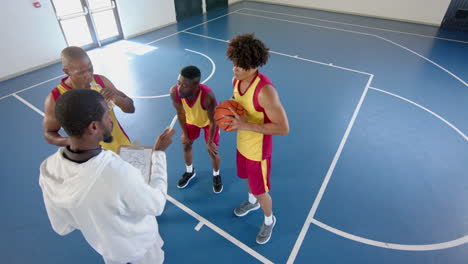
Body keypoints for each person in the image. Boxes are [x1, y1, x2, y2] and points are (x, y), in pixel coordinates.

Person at [39, 89, 174, 264]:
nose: (111, 119)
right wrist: (159, 154)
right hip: (141, 245)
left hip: (107, 247)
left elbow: (62, 226)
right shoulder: (119, 174)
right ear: (94, 127)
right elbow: (156, 205)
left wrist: (95, 215)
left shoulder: (48, 168)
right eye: (107, 114)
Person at [224, 34, 289, 244]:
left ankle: (269, 219)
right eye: (234, 62)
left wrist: (244, 125)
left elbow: (283, 128)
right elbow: (239, 107)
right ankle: (252, 202)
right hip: (242, 144)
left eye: (240, 64)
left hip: (258, 151)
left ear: (253, 64)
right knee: (248, 181)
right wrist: (231, 116)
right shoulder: (236, 80)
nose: (235, 68)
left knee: (262, 191)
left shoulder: (266, 92)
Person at [43, 46, 135, 153]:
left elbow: (131, 108)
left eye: (90, 69)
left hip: (121, 148)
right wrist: (71, 141)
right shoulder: (56, 98)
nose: (88, 76)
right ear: (67, 71)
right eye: (81, 73)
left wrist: (116, 98)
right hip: (91, 158)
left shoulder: (101, 81)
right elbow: (49, 133)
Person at [169, 66, 223, 193]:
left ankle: (216, 175)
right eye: (179, 83)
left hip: (209, 123)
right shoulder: (174, 92)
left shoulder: (207, 96)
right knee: (186, 144)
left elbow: (213, 120)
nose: (180, 88)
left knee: (212, 151)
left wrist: (210, 142)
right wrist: (186, 134)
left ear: (196, 86)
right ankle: (190, 171)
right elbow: (181, 114)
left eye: (184, 85)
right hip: (191, 120)